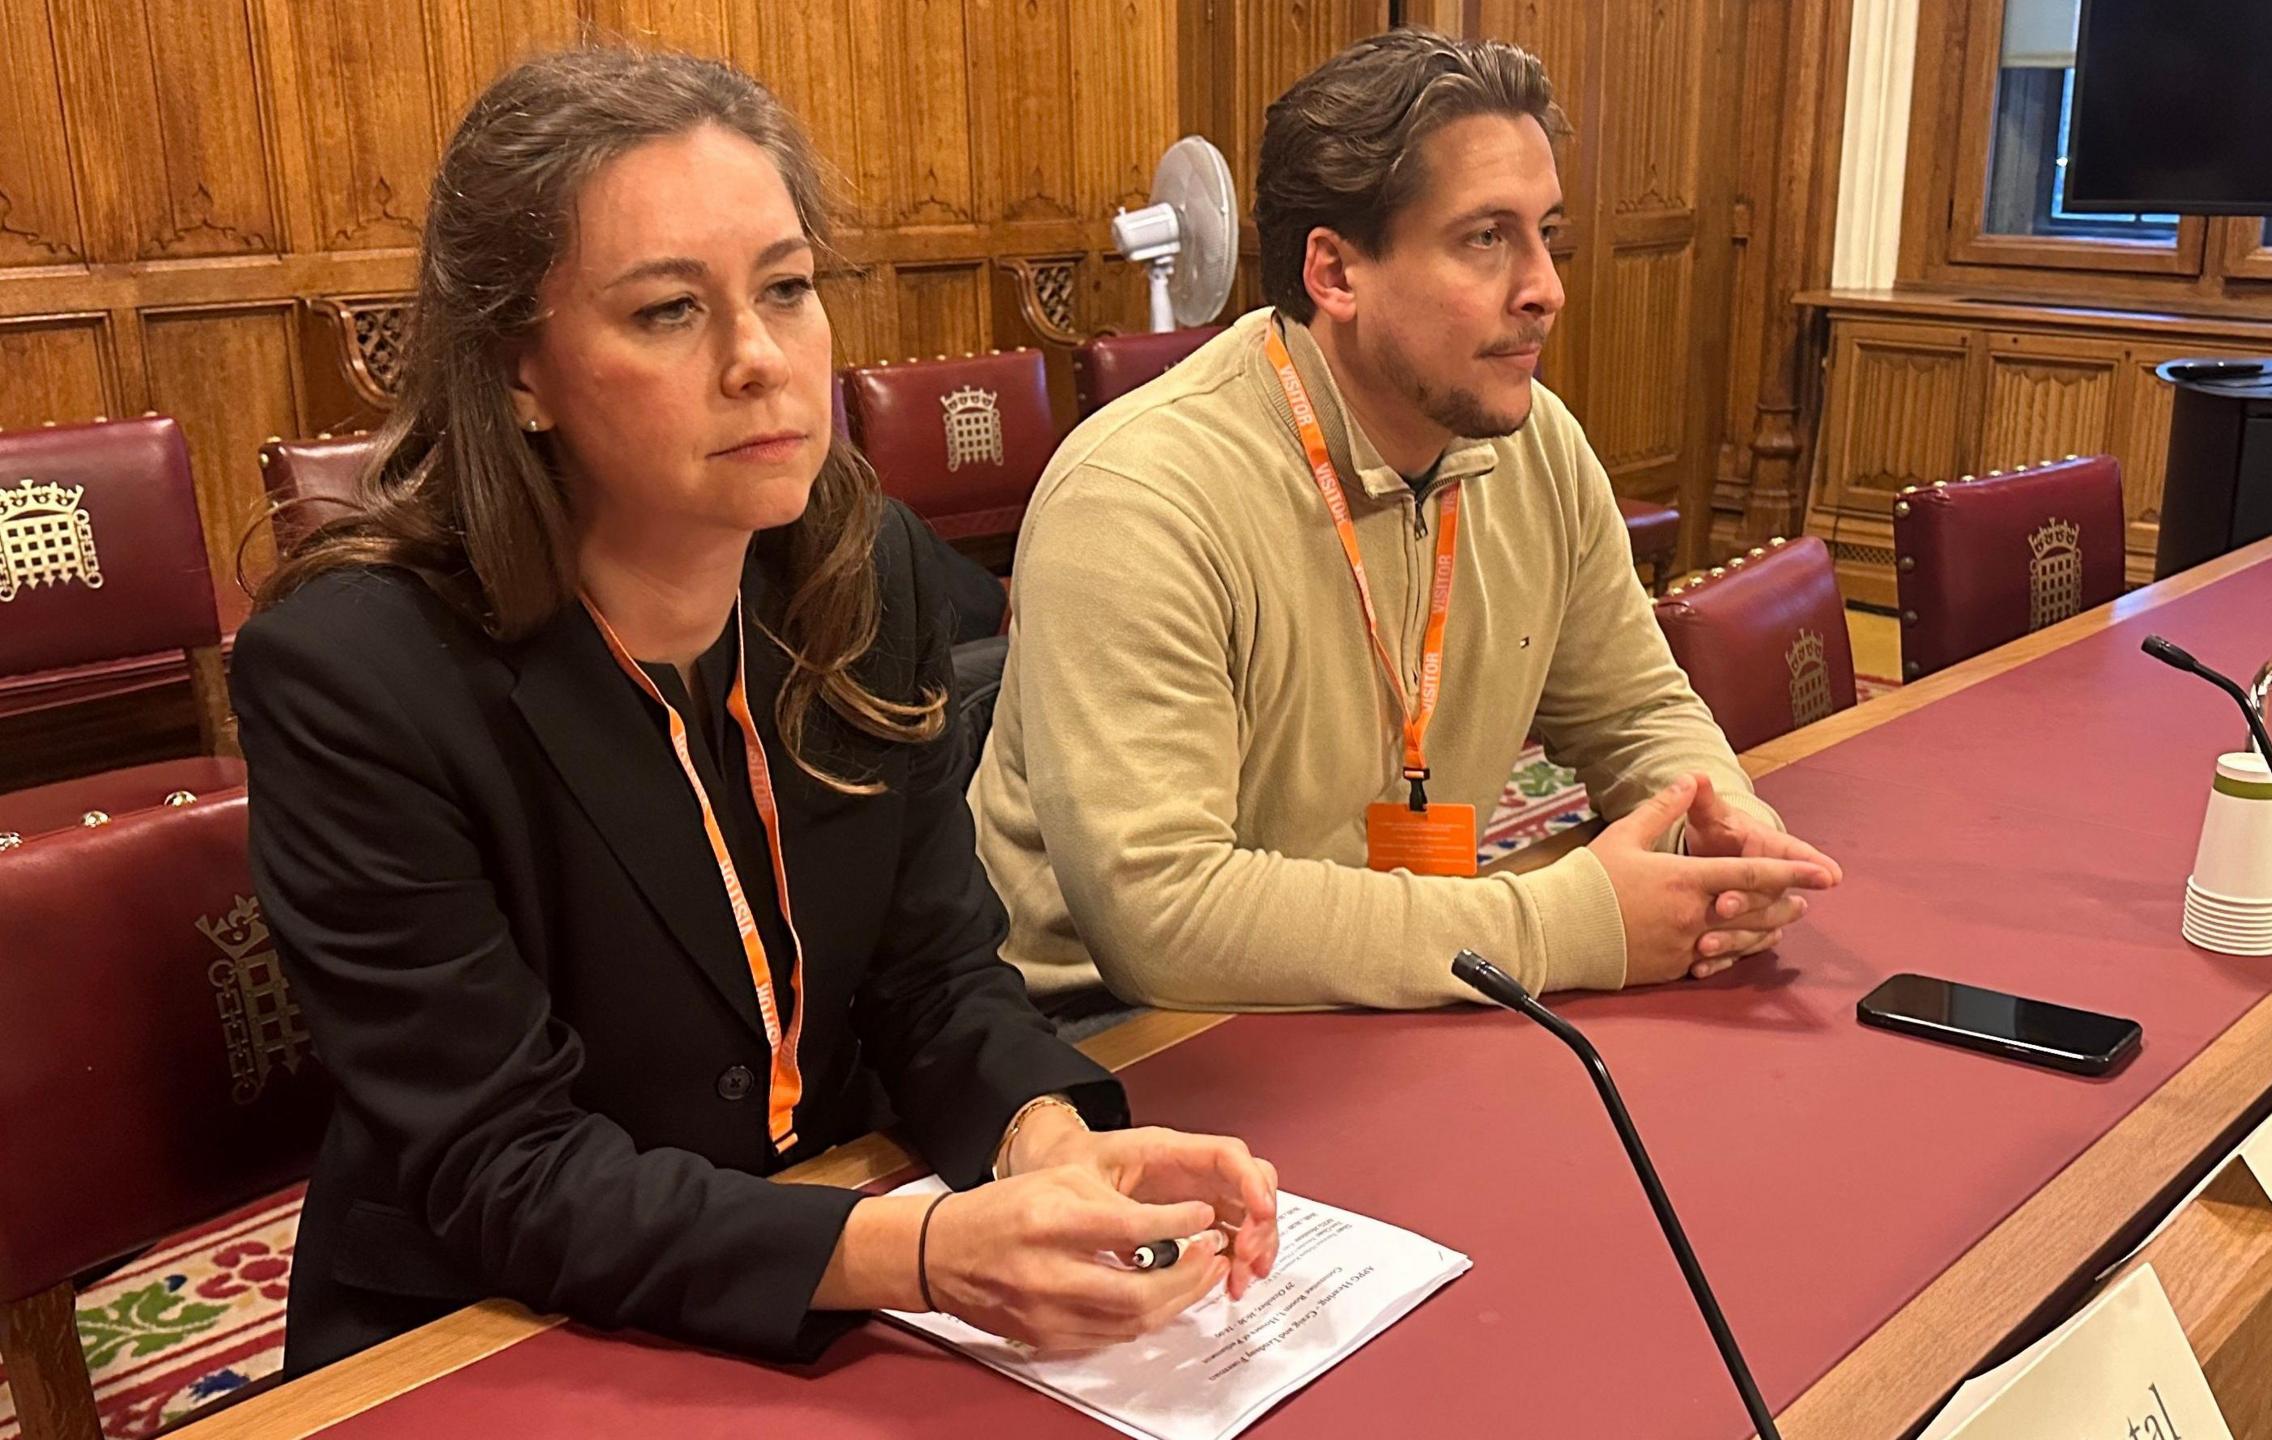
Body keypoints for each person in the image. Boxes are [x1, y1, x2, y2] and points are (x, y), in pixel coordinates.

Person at [234, 49, 1276, 1377]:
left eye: (786, 290)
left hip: (826, 1260)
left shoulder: (866, 567)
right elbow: (505, 1170)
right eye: (670, 311)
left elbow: (932, 975)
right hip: (490, 1332)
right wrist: (917, 1252)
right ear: (519, 371)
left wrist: (1043, 1138)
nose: (759, 360)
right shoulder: (354, 674)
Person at [972, 31, 1843, 1013]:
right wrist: (1568, 923)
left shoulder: (1537, 443)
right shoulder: (1136, 499)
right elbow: (1161, 923)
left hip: (1400, 979)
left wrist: (1715, 819)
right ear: (1334, 274)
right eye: (1485, 238)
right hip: (1122, 1034)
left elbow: (1633, 711)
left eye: (1545, 235)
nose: (1546, 288)